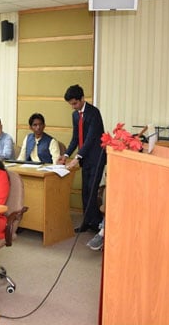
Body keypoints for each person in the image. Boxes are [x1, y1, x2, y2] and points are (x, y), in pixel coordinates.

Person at [57, 85, 106, 233]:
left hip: (97, 157)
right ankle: (87, 221)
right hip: (85, 157)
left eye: (75, 103)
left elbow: (90, 139)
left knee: (92, 189)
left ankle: (96, 222)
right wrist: (66, 155)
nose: (73, 107)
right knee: (85, 191)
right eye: (71, 104)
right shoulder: (75, 115)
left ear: (82, 99)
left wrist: (77, 158)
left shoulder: (93, 113)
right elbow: (75, 138)